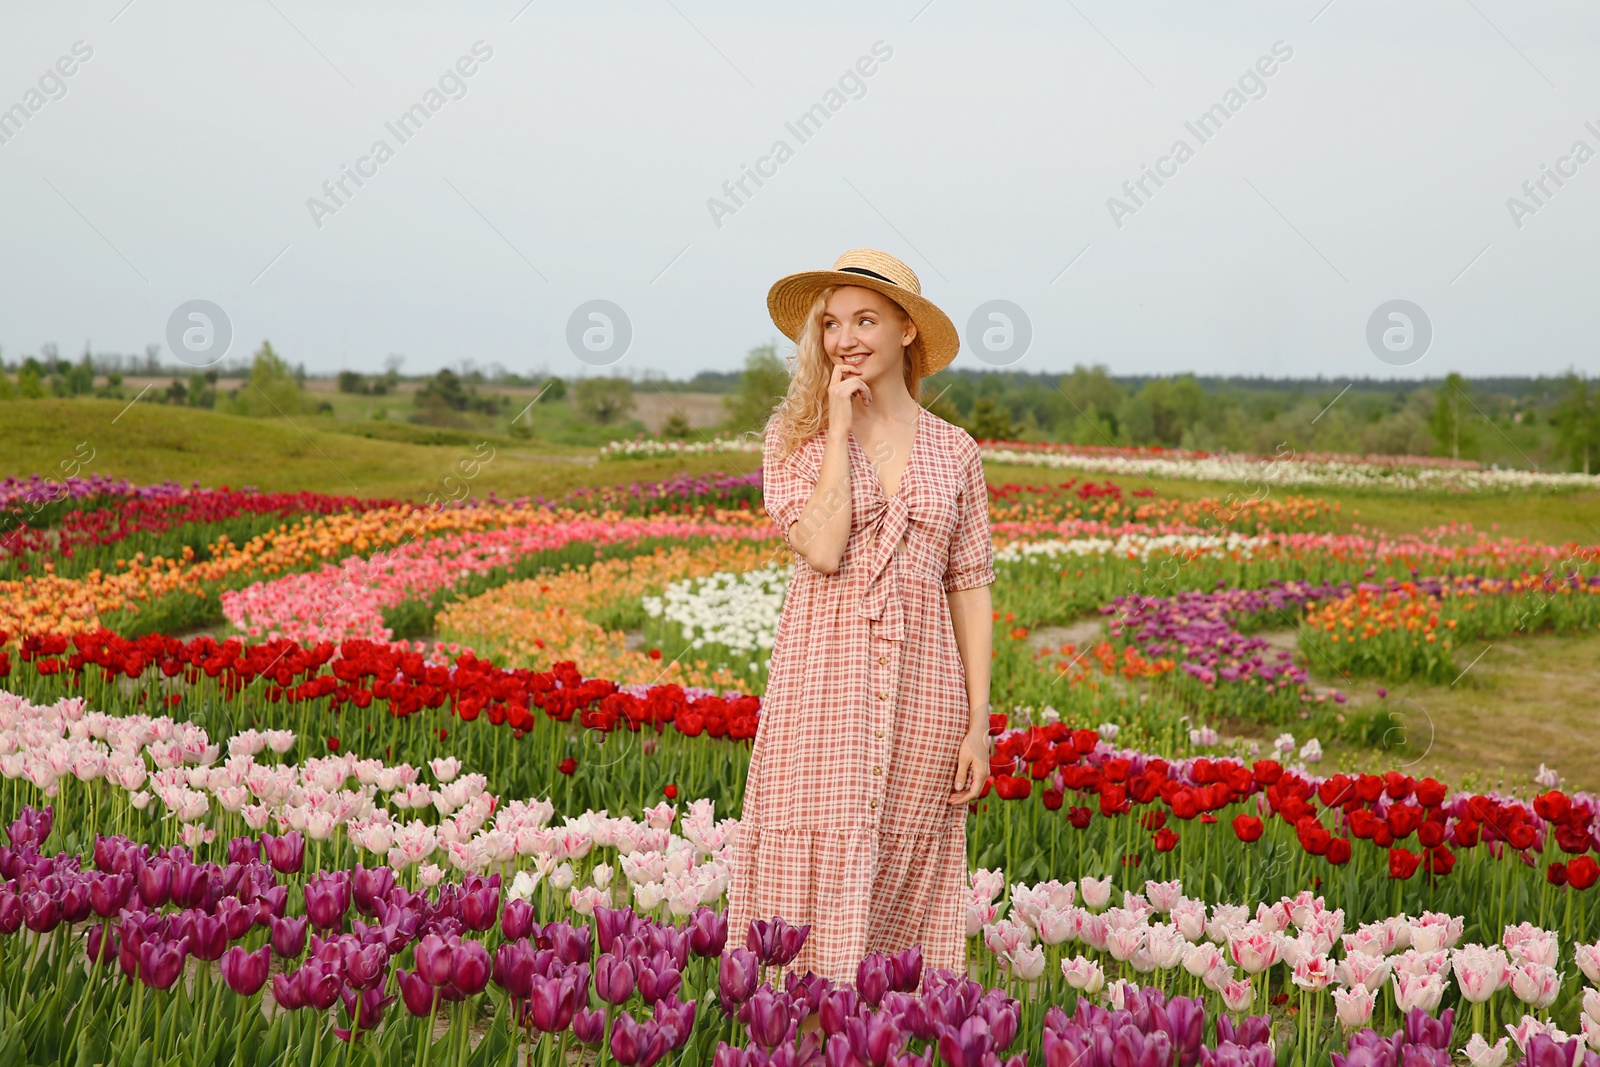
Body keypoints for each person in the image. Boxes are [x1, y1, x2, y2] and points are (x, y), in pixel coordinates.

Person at [728, 248, 995, 985]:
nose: (844, 337)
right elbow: (820, 546)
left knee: (905, 866)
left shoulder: (957, 452)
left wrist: (978, 722)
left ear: (908, 330)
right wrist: (840, 428)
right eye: (832, 322)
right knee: (805, 875)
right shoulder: (795, 438)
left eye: (865, 319)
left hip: (925, 698)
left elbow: (969, 587)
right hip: (821, 692)